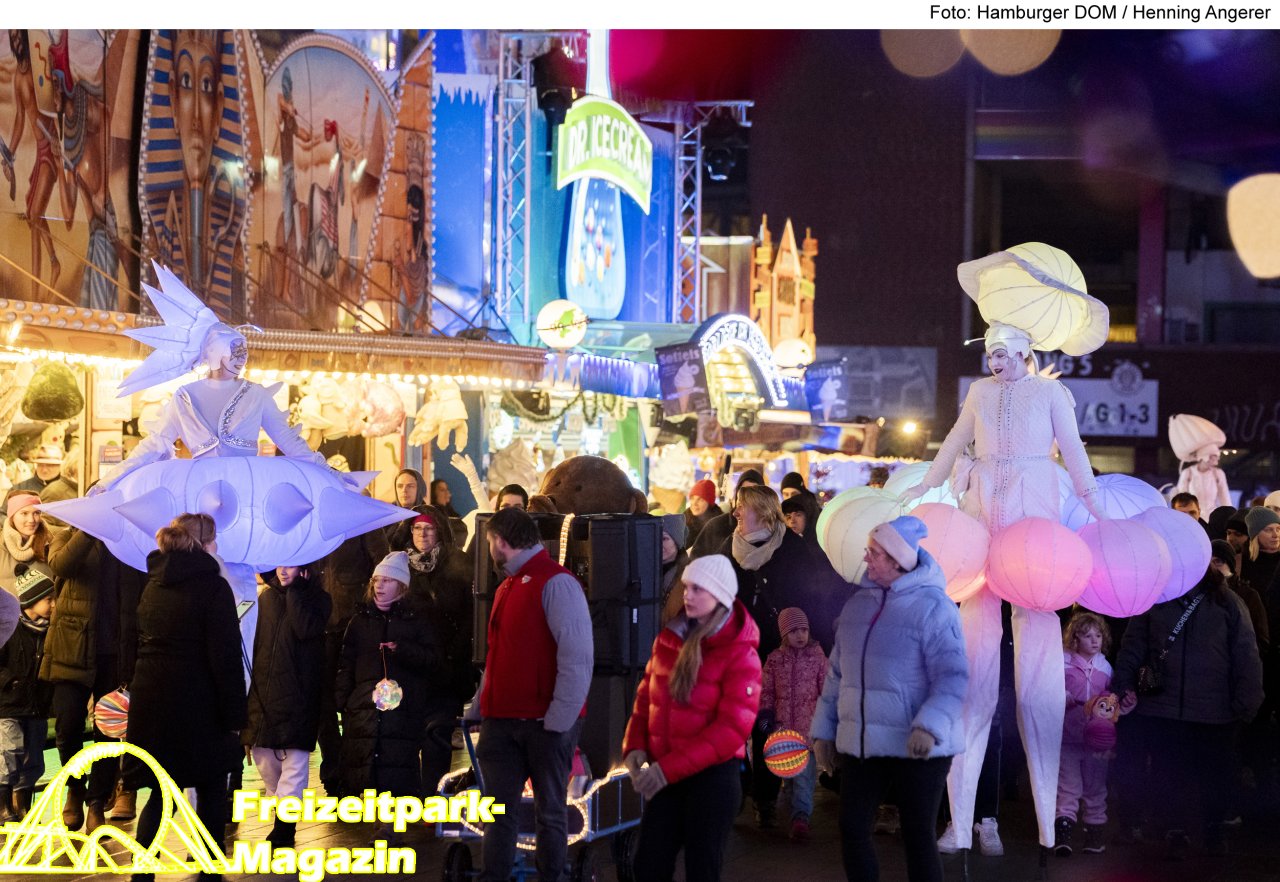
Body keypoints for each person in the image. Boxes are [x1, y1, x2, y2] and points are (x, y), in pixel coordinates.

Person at [901, 319, 1105, 854]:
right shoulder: (980, 392)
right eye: (990, 354)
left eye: (1002, 354)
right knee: (971, 671)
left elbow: (1074, 451)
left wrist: (1094, 502)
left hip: (1033, 516)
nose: (995, 363)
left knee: (1039, 667)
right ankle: (960, 822)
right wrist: (926, 484)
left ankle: (1046, 824)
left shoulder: (1052, 394)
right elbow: (954, 440)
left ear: (1022, 352)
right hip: (983, 512)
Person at [811, 515, 968, 882]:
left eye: (875, 552)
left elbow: (952, 676)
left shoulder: (934, 607)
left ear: (898, 561)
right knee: (852, 827)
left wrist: (929, 726)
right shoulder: (857, 606)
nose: (866, 557)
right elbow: (837, 674)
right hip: (864, 743)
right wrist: (823, 732)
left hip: (919, 747)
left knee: (917, 836)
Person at [469, 506, 592, 882]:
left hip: (543, 722)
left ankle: (549, 876)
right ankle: (495, 875)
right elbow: (498, 654)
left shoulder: (556, 583)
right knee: (499, 811)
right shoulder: (509, 585)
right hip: (504, 720)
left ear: (500, 541)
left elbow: (577, 656)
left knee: (549, 810)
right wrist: (480, 705)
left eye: (490, 540)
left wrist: (560, 717)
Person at [622, 554, 760, 882]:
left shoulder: (740, 652)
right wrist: (635, 745)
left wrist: (666, 770)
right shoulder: (669, 637)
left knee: (702, 869)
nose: (687, 595)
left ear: (720, 595)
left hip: (711, 781)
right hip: (667, 775)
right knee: (648, 866)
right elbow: (646, 696)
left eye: (698, 589)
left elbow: (730, 730)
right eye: (686, 587)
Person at [1111, 565, 1263, 859]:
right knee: (1170, 772)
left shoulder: (1227, 602)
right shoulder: (1154, 600)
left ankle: (1213, 828)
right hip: (1165, 709)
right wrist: (1123, 686)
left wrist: (1248, 702)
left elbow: (1246, 653)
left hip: (1214, 711)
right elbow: (1133, 647)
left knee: (1214, 775)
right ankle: (1175, 830)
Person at [126, 514, 246, 882]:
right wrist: (235, 716)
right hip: (200, 702)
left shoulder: (151, 582)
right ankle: (209, 869)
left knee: (161, 790)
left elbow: (133, 639)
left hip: (153, 699)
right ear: (205, 544)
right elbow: (225, 657)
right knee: (211, 787)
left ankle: (142, 870)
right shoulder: (213, 587)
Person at [722, 483, 840, 828]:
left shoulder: (793, 549)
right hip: (741, 652)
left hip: (782, 653)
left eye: (743, 507)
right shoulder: (728, 548)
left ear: (762, 512)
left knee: (769, 725)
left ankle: (768, 798)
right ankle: (744, 792)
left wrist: (809, 642)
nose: (736, 513)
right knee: (740, 725)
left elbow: (813, 599)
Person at [41, 523, 147, 831]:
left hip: (114, 652)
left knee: (108, 732)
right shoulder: (68, 536)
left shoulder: (126, 542)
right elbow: (61, 564)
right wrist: (88, 531)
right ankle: (75, 788)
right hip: (71, 648)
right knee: (68, 726)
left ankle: (97, 801)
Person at [334, 551, 437, 825]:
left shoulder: (416, 620)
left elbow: (431, 660)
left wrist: (402, 650)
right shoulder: (359, 621)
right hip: (364, 710)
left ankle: (390, 829)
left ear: (401, 586)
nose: (379, 585)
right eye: (376, 580)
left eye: (387, 580)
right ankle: (372, 824)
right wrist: (345, 700)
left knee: (396, 770)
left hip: (402, 712)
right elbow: (346, 663)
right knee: (364, 767)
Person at [243, 563, 331, 847]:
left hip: (299, 697)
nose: (283, 571)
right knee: (266, 762)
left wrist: (296, 592)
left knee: (294, 767)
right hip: (263, 695)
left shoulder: (318, 599)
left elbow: (305, 628)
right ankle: (281, 814)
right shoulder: (264, 598)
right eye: (280, 564)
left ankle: (284, 827)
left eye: (291, 565)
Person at [313, 523, 387, 796]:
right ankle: (333, 771)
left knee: (352, 702)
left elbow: (380, 563)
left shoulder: (362, 520)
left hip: (352, 622)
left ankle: (355, 772)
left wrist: (369, 609)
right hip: (319, 625)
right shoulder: (316, 518)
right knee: (322, 705)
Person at [404, 508, 474, 796]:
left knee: (437, 739)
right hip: (410, 667)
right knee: (408, 739)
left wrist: (454, 654)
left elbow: (469, 614)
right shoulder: (400, 564)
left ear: (440, 531)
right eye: (417, 528)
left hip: (447, 668)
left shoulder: (458, 563)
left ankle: (433, 801)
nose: (423, 534)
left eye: (429, 528)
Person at [1055, 611, 1127, 857]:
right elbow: (1050, 690)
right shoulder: (1061, 663)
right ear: (1074, 638)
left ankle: (1094, 836)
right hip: (1068, 738)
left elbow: (1112, 702)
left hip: (1097, 743)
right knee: (1068, 787)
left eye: (1098, 635)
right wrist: (1063, 697)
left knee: (1096, 788)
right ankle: (1063, 834)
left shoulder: (1105, 668)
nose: (1095, 641)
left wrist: (1123, 706)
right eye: (1088, 636)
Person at [759, 607, 827, 841]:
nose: (800, 635)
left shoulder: (818, 658)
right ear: (784, 634)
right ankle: (792, 815)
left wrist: (826, 720)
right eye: (794, 631)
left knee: (804, 779)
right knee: (788, 779)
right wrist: (765, 714)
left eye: (804, 630)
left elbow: (826, 692)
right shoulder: (775, 660)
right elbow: (766, 691)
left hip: (807, 733)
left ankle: (801, 818)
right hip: (782, 733)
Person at [0, 563, 55, 823]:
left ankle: (22, 804)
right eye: (48, 599)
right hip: (9, 703)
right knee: (9, 751)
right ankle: (3, 805)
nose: (54, 604)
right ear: (32, 601)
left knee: (33, 757)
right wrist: (9, 681)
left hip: (37, 705)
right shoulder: (10, 627)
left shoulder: (50, 631)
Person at [689, 470, 763, 560]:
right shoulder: (716, 526)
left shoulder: (770, 528)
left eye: (753, 492)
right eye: (743, 491)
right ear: (737, 495)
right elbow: (695, 561)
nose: (747, 496)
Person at [0, 494, 51, 596]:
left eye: (36, 513)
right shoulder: (1, 545)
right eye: (24, 513)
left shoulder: (50, 544)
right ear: (12, 516)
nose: (31, 520)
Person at [658, 514, 690, 624]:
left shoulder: (688, 574)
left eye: (664, 538)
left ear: (677, 542)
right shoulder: (645, 570)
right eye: (655, 536)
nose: (658, 543)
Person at [684, 478, 720, 551]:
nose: (694, 503)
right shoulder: (682, 520)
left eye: (700, 499)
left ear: (709, 502)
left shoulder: (719, 523)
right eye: (692, 498)